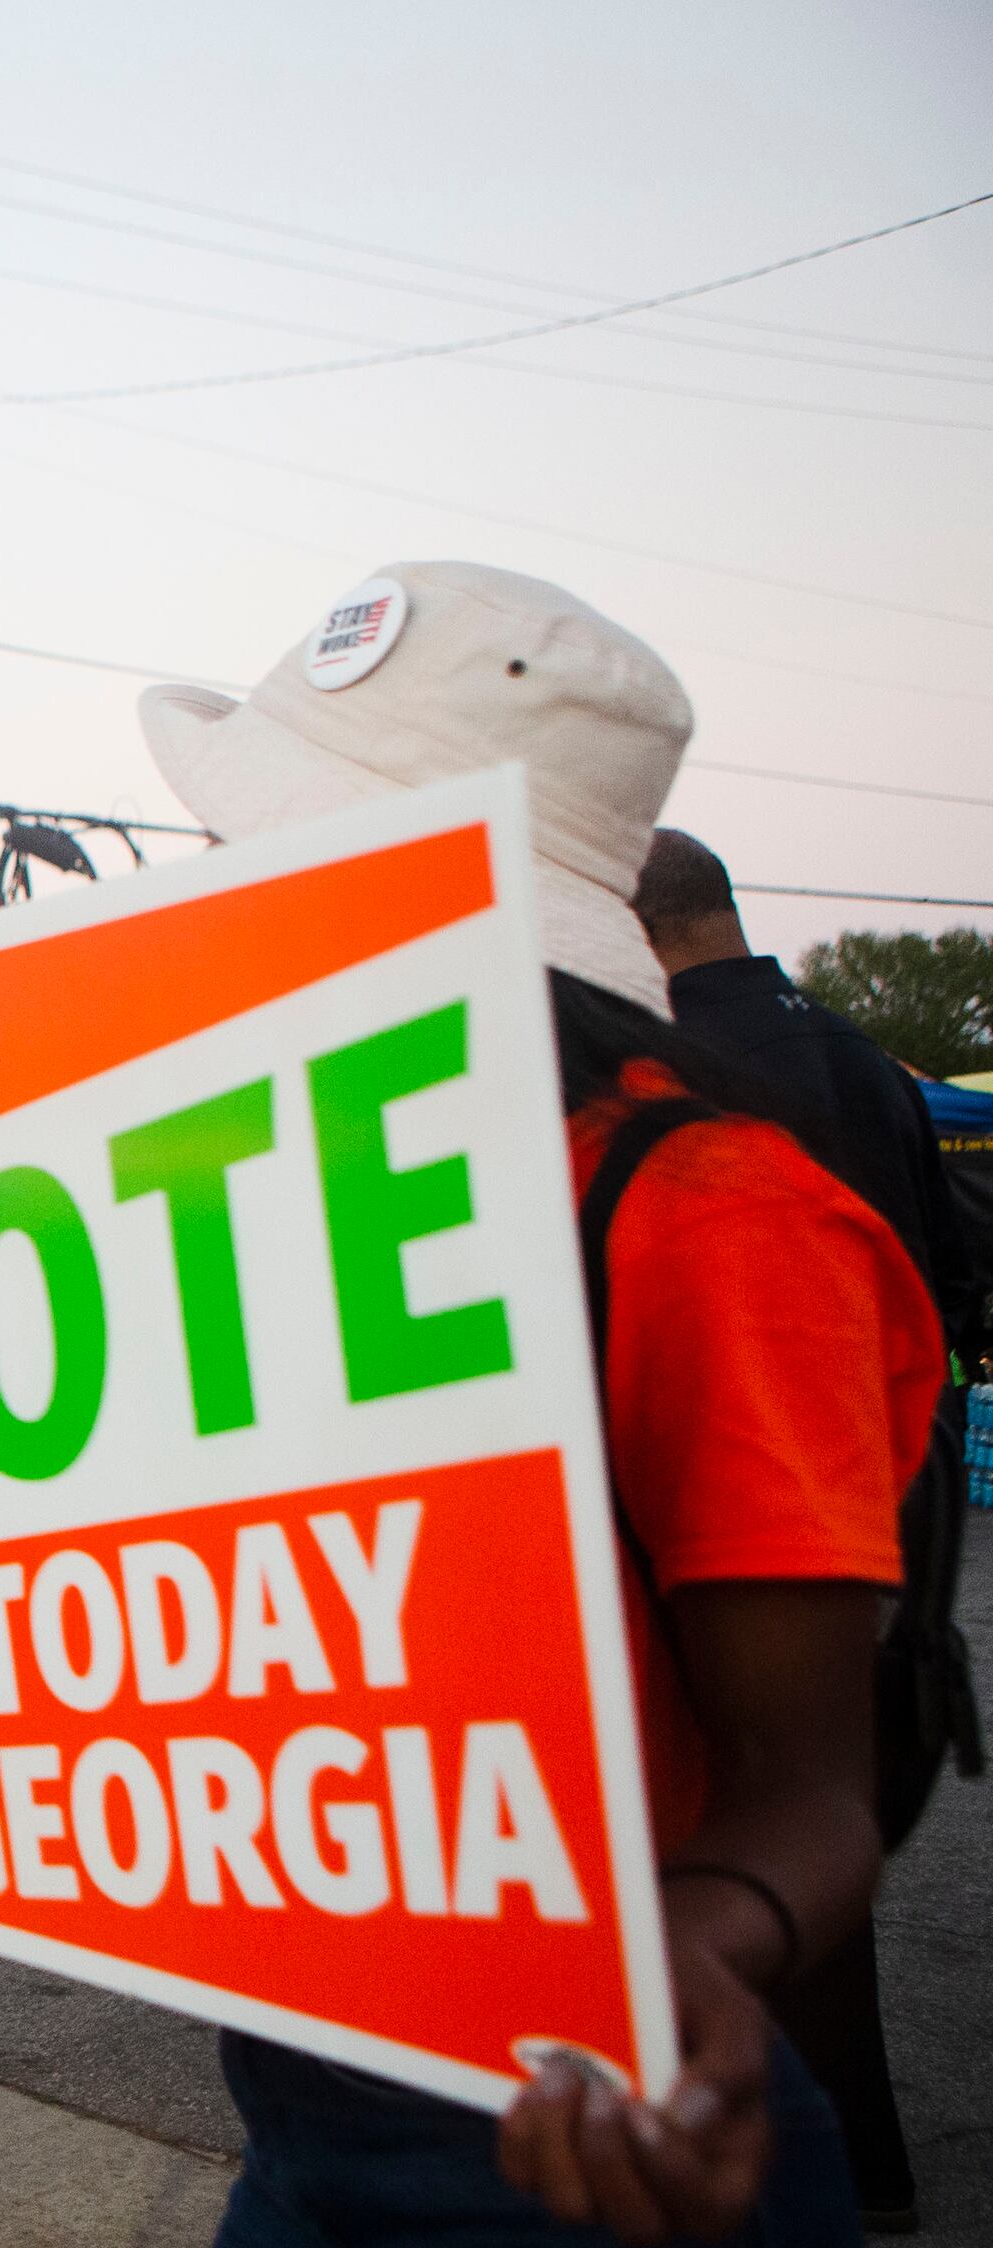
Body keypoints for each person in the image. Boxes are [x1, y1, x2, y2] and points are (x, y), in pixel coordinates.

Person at [0, 562, 935, 2248]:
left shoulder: (707, 1209)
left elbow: (817, 1778)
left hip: (582, 2144)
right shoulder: (206, 1200)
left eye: (251, 836)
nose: (201, 875)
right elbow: (125, 1617)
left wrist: (693, 1937)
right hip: (307, 2108)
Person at [637, 826, 982, 2234]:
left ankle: (792, 2169)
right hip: (902, 1486)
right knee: (822, 1825)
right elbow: (954, 1280)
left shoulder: (660, 1076)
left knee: (738, 1831)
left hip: (745, 1491)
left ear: (637, 923)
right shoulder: (856, 1054)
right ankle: (871, 2168)